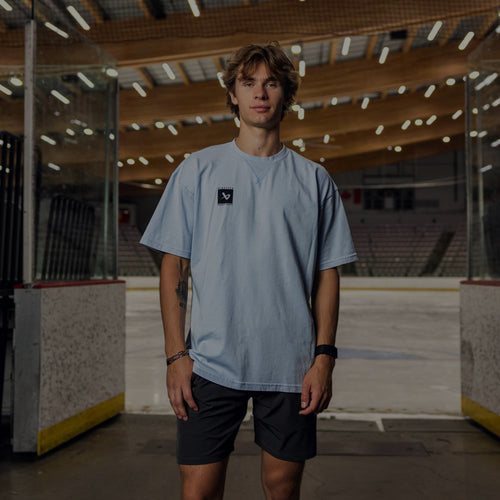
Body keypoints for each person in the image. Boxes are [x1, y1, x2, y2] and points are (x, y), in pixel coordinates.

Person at [141, 42, 357, 500]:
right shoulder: (198, 170)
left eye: (271, 83)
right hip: (210, 362)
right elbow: (174, 265)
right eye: (249, 83)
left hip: (292, 366)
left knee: (282, 489)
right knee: (198, 491)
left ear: (286, 95)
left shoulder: (314, 180)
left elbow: (328, 274)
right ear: (233, 94)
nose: (260, 93)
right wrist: (176, 357)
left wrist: (324, 358)